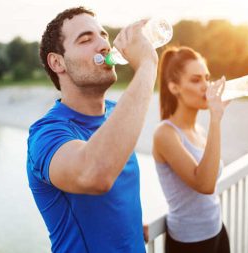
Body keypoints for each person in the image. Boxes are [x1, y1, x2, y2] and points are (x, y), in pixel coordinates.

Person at [26, 6, 158, 253]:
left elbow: (112, 198)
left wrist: (127, 226)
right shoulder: (45, 136)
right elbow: (94, 174)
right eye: (86, 39)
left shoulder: (115, 113)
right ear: (57, 62)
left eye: (104, 36)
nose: (104, 45)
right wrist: (148, 65)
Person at [152, 46, 231, 252]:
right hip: (189, 243)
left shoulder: (200, 130)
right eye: (196, 80)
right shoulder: (165, 134)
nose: (206, 86)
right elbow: (205, 184)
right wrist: (216, 117)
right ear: (174, 87)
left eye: (207, 78)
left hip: (216, 230)